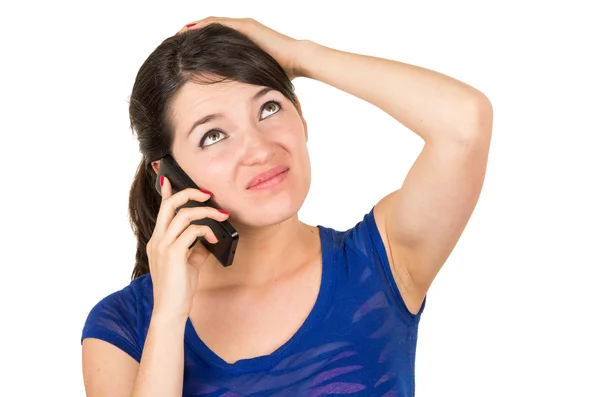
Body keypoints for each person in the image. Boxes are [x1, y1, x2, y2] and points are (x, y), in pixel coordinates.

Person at [81, 17, 493, 397]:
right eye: (214, 135)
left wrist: (300, 54)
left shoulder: (381, 261)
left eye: (269, 108)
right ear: (168, 175)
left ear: (301, 116)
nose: (259, 149)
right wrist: (169, 316)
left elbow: (465, 122)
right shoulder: (123, 327)